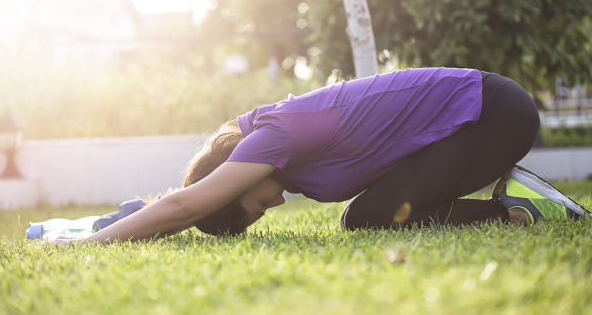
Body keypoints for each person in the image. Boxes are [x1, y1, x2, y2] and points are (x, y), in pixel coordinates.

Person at [59, 68, 590, 245]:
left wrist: (95, 240)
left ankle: (517, 208)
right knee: (361, 217)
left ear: (234, 178)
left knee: (364, 217)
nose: (274, 205)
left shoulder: (271, 139)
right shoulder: (279, 149)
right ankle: (514, 204)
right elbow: (188, 211)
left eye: (257, 207)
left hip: (495, 113)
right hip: (481, 121)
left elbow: (185, 205)